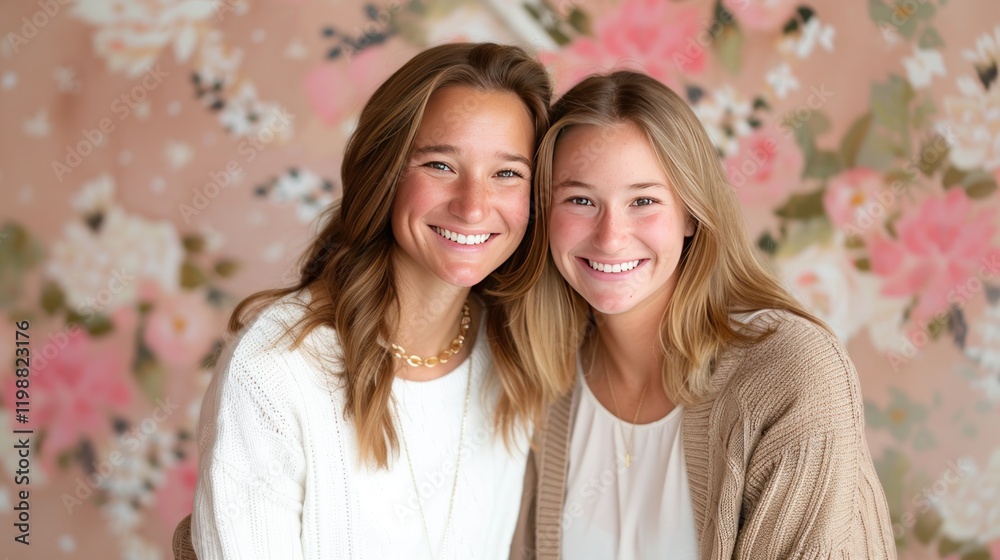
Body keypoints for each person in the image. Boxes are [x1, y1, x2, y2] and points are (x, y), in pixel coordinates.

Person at [190, 42, 558, 559]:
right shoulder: (274, 370)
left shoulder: (518, 356)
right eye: (440, 165)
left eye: (507, 173)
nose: (473, 207)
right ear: (383, 173)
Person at [510, 71, 896, 559]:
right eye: (581, 200)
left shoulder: (793, 375)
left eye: (644, 201)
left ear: (691, 213)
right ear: (544, 212)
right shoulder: (538, 377)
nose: (610, 237)